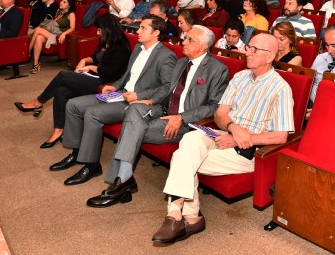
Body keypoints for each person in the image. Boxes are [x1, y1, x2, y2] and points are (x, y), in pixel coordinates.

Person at [150, 33, 294, 244]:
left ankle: (182, 216)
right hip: (223, 133)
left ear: (270, 56)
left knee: (181, 158)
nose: (248, 52)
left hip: (247, 150)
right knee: (189, 142)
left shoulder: (280, 88)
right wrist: (233, 129)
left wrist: (239, 139)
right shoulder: (240, 77)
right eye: (248, 48)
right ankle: (182, 216)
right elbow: (220, 114)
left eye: (254, 49)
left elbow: (281, 136)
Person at [86, 26, 230, 208]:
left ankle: (121, 182)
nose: (183, 42)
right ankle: (123, 180)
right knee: (135, 109)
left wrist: (182, 117)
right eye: (185, 38)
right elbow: (166, 89)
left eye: (189, 40)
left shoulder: (217, 69)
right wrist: (150, 100)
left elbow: (214, 107)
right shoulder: (181, 62)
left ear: (203, 46)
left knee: (132, 128)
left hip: (185, 123)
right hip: (163, 110)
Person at [49, 15, 177, 186]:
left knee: (93, 114)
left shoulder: (166, 55)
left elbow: (167, 87)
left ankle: (91, 164)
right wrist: (115, 86)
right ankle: (76, 152)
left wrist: (139, 96)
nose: (138, 31)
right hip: (122, 94)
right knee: (73, 105)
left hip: (137, 102)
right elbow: (127, 75)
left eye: (143, 28)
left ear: (156, 33)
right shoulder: (139, 48)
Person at [14, 16, 131, 148]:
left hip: (107, 85)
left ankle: (38, 102)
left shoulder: (121, 47)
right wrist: (85, 60)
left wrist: (91, 67)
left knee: (64, 75)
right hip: (95, 77)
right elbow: (95, 56)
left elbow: (111, 72)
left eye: (100, 30)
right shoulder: (106, 41)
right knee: (60, 91)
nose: (98, 33)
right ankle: (58, 130)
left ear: (108, 29)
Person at [29, 0, 77, 74]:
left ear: (69, 5)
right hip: (52, 34)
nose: (61, 3)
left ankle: (28, 52)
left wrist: (64, 34)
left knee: (37, 30)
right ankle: (36, 64)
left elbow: (72, 28)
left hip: (59, 36)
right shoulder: (59, 11)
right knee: (39, 38)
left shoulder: (71, 14)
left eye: (64, 2)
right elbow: (53, 24)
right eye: (61, 1)